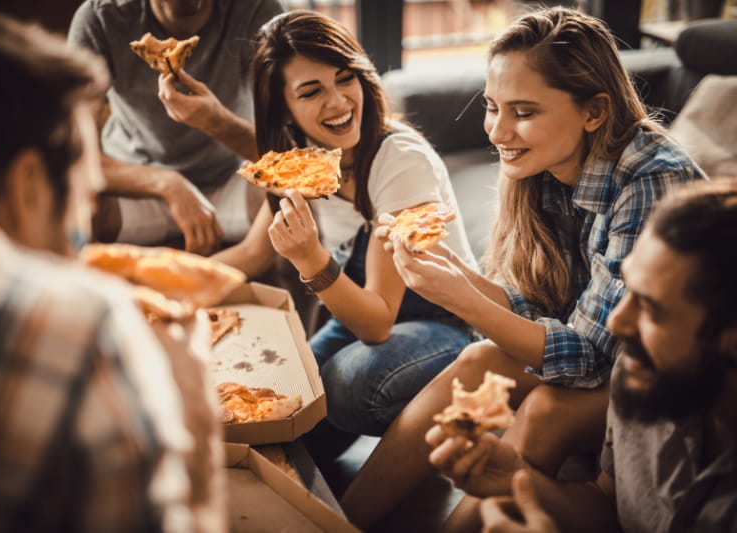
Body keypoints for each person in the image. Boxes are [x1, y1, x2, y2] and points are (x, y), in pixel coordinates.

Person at [341, 6, 705, 529]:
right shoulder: (545, 167)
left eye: (523, 112)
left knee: (545, 411)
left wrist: (460, 298)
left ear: (594, 111)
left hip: (670, 376)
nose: (497, 131)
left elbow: (590, 358)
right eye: (492, 107)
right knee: (478, 360)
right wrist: (451, 269)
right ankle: (337, 523)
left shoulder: (651, 181)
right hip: (603, 361)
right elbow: (533, 308)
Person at [0, 5, 224, 531]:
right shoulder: (86, 330)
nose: (79, 231)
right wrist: (196, 412)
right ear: (28, 184)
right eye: (83, 195)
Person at [212, 10, 479, 445]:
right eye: (311, 91)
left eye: (345, 78)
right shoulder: (302, 163)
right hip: (357, 310)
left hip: (446, 321)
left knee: (348, 385)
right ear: (285, 111)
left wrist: (310, 259)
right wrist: (161, 289)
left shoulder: (399, 160)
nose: (338, 102)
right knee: (283, 407)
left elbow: (378, 323)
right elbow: (251, 254)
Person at [426, 178, 737, 532]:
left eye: (651, 309)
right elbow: (606, 503)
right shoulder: (641, 372)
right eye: (628, 290)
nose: (617, 322)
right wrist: (516, 475)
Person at [67, 0, 283, 254]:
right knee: (77, 204)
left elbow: (288, 153)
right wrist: (167, 184)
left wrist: (217, 122)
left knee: (290, 202)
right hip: (136, 189)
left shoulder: (257, 11)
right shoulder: (100, 18)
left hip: (231, 180)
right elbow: (73, 152)